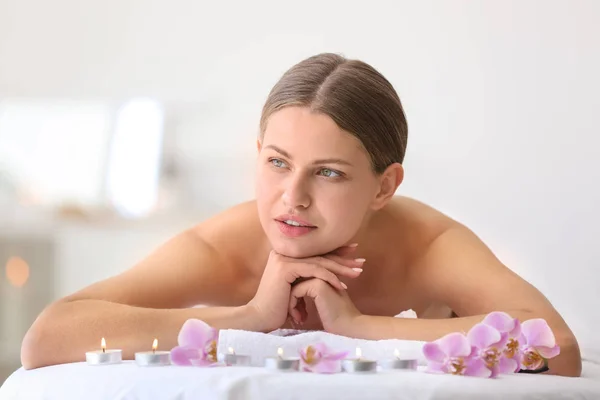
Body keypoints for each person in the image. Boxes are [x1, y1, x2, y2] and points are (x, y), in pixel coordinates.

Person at [21, 53, 581, 376]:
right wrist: (251, 316)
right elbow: (47, 337)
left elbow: (557, 344)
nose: (292, 197)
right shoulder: (226, 244)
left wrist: (358, 327)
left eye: (329, 172)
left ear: (384, 186)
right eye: (277, 163)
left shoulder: (427, 244)